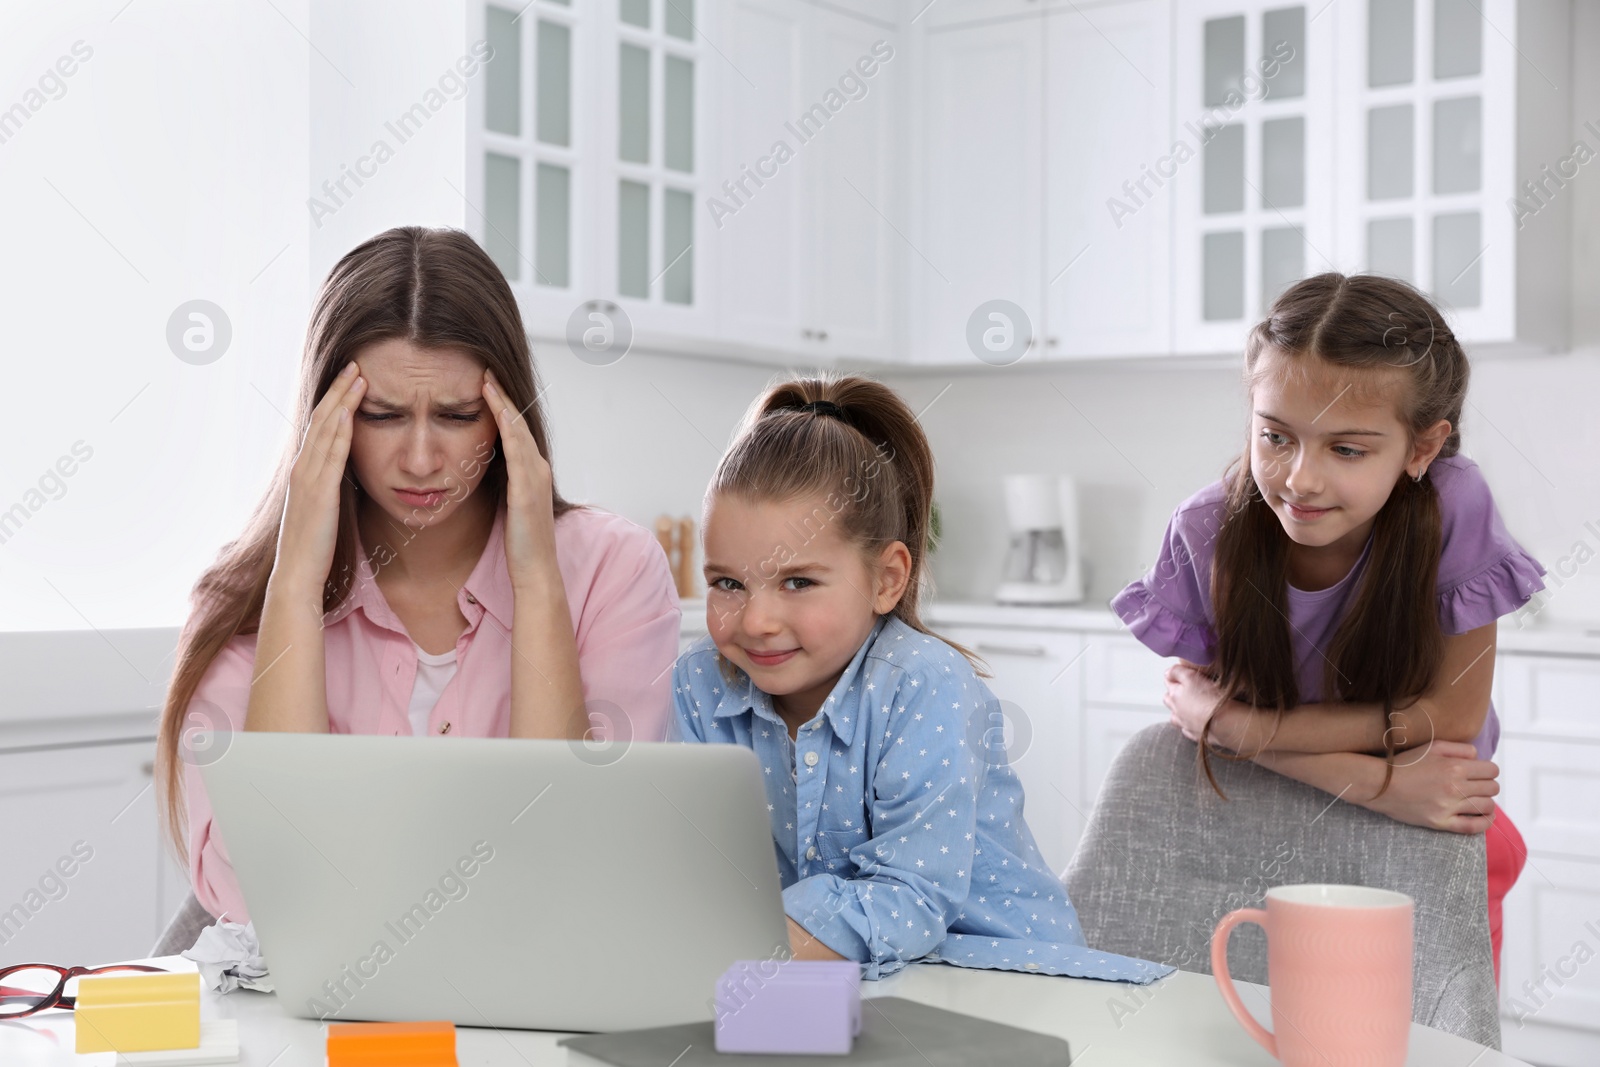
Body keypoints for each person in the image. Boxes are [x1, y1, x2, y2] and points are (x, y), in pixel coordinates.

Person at [156, 226, 679, 923]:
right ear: (325, 420)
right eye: (383, 415)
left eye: (458, 416)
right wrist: (296, 588)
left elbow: (571, 867)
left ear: (506, 416)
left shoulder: (614, 570)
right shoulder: (243, 602)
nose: (423, 458)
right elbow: (262, 903)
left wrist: (537, 581)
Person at [1112, 272, 1544, 981]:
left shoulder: (1452, 507)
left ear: (1421, 449)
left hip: (1432, 833)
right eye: (1276, 436)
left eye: (1347, 449)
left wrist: (1246, 731)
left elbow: (1450, 719)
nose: (1300, 479)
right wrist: (1377, 783)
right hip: (1268, 837)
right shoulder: (1206, 531)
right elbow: (1218, 738)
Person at [672, 374, 1169, 984]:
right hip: (827, 973)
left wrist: (730, 941)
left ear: (887, 579)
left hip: (996, 971)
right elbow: (696, 871)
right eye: (727, 583)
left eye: (798, 582)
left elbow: (910, 899)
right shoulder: (701, 681)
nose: (756, 620)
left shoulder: (923, 683)